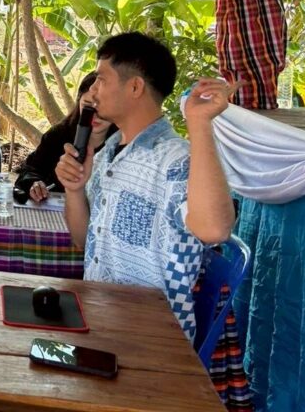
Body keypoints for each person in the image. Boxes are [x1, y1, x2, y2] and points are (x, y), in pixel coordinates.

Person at [55, 32, 236, 339]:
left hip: (153, 338)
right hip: (101, 321)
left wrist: (199, 122)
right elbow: (85, 242)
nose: (93, 91)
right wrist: (74, 189)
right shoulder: (108, 153)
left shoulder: (174, 159)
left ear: (135, 87)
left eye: (101, 80)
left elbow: (215, 230)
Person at [14, 71, 116, 203]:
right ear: (79, 103)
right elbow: (31, 169)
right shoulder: (58, 135)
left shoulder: (125, 142)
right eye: (87, 106)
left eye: (102, 106)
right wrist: (34, 183)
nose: (94, 115)